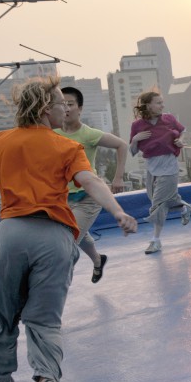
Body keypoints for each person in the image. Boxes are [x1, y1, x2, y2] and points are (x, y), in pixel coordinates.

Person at [0, 77, 137, 382]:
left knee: (2, 317)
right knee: (44, 320)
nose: (64, 108)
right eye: (58, 103)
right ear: (43, 108)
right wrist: (117, 212)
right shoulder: (66, 146)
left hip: (11, 234)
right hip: (54, 238)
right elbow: (91, 182)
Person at [55, 86, 128, 283]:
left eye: (70, 104)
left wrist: (118, 177)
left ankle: (51, 290)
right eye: (62, 104)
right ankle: (98, 260)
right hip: (62, 198)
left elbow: (122, 145)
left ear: (80, 108)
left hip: (88, 197)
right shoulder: (51, 134)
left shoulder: (88, 134)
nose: (66, 108)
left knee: (67, 243)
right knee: (81, 234)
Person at [130, 91, 191, 254]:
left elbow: (183, 130)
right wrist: (136, 138)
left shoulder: (169, 119)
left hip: (169, 166)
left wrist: (181, 141)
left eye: (162, 102)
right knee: (162, 200)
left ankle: (155, 241)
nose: (162, 105)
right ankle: (184, 208)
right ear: (148, 105)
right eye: (158, 103)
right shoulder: (137, 126)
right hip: (151, 168)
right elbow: (132, 150)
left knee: (158, 204)